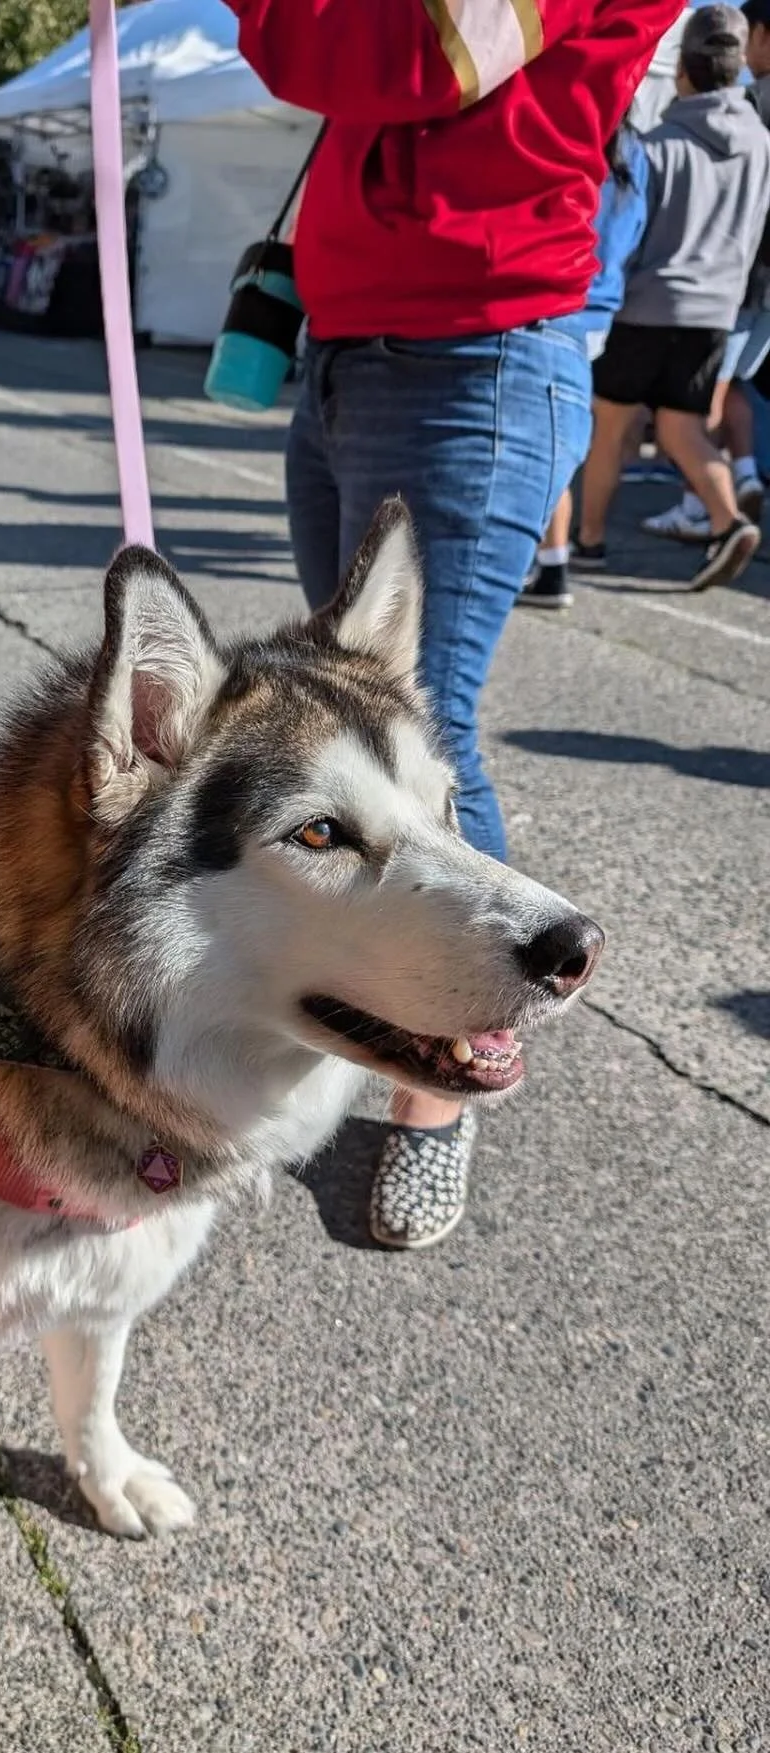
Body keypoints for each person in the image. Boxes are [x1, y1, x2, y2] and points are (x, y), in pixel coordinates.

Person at [229, 0, 682, 1249]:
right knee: (357, 719)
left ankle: (445, 1078)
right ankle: (366, 1009)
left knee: (428, 730)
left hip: (468, 356)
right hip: (370, 349)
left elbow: (402, 55)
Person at [576, 5, 770, 590]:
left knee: (610, 428)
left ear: (683, 70)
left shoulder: (657, 144)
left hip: (649, 307)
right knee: (685, 426)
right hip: (717, 311)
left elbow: (629, 235)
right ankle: (727, 518)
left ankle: (586, 543)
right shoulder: (761, 142)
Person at [519, 121, 651, 610]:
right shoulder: (635, 146)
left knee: (543, 438)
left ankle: (552, 562)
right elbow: (636, 227)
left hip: (558, 302)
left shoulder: (575, 123)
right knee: (559, 436)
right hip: (600, 305)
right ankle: (552, 558)